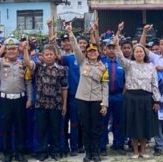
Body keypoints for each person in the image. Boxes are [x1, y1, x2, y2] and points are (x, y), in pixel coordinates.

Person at [112, 24, 159, 159]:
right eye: (136, 51)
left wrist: (156, 100)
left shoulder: (151, 66)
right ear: (133, 53)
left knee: (144, 124)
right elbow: (119, 56)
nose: (139, 53)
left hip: (146, 98)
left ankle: (143, 150)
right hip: (131, 97)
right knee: (133, 125)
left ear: (144, 53)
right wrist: (117, 42)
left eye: (141, 51)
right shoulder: (129, 65)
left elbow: (154, 84)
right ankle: (135, 151)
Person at [0, 36, 30, 162]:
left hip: (20, 100)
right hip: (5, 101)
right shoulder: (0, 62)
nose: (11, 51)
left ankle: (19, 153)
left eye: (14, 49)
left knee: (20, 127)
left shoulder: (22, 63)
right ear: (5, 50)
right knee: (6, 128)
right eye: (9, 49)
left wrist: (30, 99)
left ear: (18, 50)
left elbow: (28, 82)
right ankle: (7, 153)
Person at [67, 24, 108, 162]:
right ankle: (88, 152)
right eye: (89, 52)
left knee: (96, 127)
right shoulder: (82, 62)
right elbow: (75, 47)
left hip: (97, 99)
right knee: (85, 127)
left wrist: (105, 104)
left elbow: (105, 87)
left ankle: (96, 152)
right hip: (82, 99)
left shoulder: (103, 67)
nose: (92, 53)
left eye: (94, 51)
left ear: (98, 53)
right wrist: (71, 33)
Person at [23, 38, 67, 162]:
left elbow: (64, 88)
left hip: (56, 104)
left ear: (55, 56)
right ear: (42, 56)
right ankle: (42, 152)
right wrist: (25, 50)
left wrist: (64, 105)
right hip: (41, 104)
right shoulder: (38, 67)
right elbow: (27, 63)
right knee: (42, 129)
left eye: (51, 54)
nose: (49, 56)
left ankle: (55, 151)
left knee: (55, 129)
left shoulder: (62, 69)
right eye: (46, 54)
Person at [99, 39, 124, 155]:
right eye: (109, 48)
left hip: (119, 95)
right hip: (105, 96)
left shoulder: (122, 62)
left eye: (113, 48)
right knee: (103, 121)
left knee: (118, 121)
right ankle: (102, 146)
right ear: (105, 50)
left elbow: (126, 80)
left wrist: (123, 94)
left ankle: (118, 144)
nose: (111, 50)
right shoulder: (101, 62)